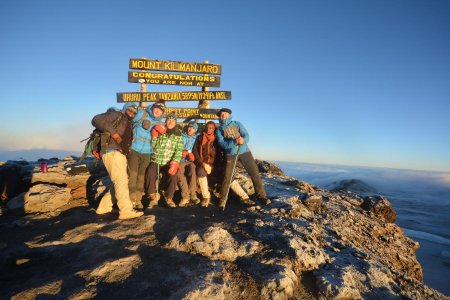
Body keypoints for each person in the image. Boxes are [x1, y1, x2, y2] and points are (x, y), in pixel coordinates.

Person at [92, 103, 144, 220]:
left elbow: (124, 140)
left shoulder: (127, 122)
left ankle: (104, 207)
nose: (131, 113)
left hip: (118, 153)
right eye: (129, 110)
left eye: (134, 112)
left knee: (120, 181)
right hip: (112, 151)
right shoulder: (116, 114)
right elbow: (96, 119)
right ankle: (126, 210)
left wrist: (126, 149)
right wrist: (114, 134)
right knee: (121, 181)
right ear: (125, 109)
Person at [215, 108, 269, 207]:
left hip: (244, 151)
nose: (223, 115)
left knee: (254, 173)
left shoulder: (237, 123)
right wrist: (234, 142)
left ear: (229, 115)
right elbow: (222, 144)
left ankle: (261, 197)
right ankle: (223, 199)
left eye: (225, 114)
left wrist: (243, 140)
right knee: (228, 176)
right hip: (231, 154)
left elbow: (246, 135)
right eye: (221, 114)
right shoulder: (219, 129)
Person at [128, 101, 165, 209]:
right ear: (152, 108)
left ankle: (138, 200)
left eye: (160, 110)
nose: (157, 111)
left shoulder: (159, 123)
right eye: (156, 108)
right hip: (134, 149)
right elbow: (128, 118)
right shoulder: (141, 114)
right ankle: (131, 199)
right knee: (132, 175)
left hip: (147, 152)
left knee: (141, 177)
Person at [145, 113, 184, 208]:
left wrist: (175, 162)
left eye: (173, 120)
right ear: (166, 121)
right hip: (157, 159)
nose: (170, 122)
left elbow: (179, 150)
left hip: (168, 162)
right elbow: (153, 146)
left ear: (175, 123)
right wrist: (154, 136)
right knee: (150, 171)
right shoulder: (161, 130)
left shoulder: (178, 135)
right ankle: (152, 196)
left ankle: (169, 197)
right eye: (168, 120)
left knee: (174, 174)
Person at [178, 121, 200, 207]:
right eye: (189, 127)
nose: (190, 129)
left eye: (193, 128)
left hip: (191, 160)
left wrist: (190, 154)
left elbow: (196, 150)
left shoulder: (196, 138)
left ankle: (193, 195)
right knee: (179, 172)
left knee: (193, 170)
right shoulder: (181, 136)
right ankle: (185, 196)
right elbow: (177, 146)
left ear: (195, 130)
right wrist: (181, 152)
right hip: (180, 159)